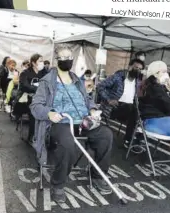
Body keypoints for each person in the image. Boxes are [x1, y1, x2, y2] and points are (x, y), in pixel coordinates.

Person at [30, 47, 113, 203]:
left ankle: (97, 175)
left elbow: (87, 99)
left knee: (106, 135)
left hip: (83, 121)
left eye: (69, 56)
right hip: (60, 122)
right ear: (56, 60)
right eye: (62, 57)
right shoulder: (47, 81)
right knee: (68, 144)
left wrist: (93, 108)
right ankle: (58, 184)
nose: (66, 59)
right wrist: (49, 113)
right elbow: (35, 106)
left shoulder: (77, 80)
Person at [96, 59, 144, 148]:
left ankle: (132, 138)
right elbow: (100, 86)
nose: (138, 70)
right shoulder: (118, 77)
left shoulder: (137, 82)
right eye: (136, 67)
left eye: (140, 69)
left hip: (128, 111)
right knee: (133, 111)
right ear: (129, 67)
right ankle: (130, 139)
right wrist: (108, 99)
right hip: (114, 108)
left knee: (139, 112)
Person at [139, 61, 170, 139]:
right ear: (157, 73)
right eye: (164, 72)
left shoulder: (150, 86)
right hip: (157, 122)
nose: (166, 74)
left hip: (152, 120)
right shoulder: (156, 88)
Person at [15, 53, 44, 144]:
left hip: (40, 98)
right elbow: (24, 86)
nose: (42, 63)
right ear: (34, 63)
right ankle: (32, 136)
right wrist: (38, 89)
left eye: (42, 61)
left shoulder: (43, 72)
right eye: (40, 61)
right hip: (26, 100)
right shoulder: (25, 73)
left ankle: (46, 136)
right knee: (34, 110)